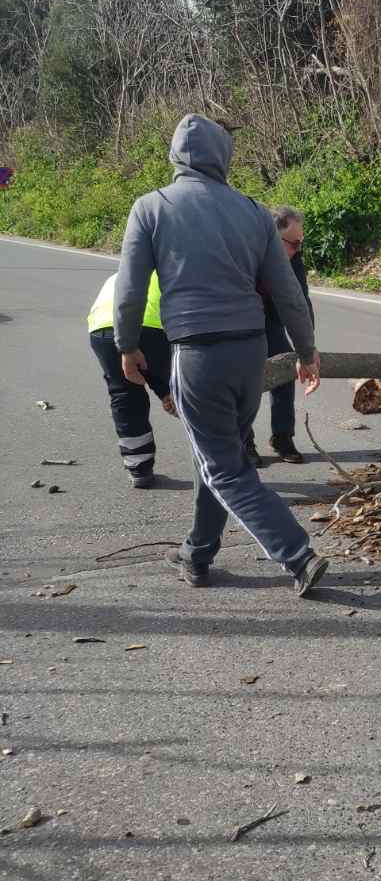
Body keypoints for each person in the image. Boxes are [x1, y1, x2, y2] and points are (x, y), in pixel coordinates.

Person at [113, 113, 328, 597]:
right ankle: (198, 553)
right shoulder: (253, 211)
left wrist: (127, 346)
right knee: (216, 453)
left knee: (224, 466)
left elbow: (128, 292)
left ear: (174, 156)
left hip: (198, 352)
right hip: (250, 353)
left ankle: (297, 554)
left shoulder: (151, 208)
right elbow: (289, 292)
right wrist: (306, 349)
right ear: (224, 158)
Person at [87, 269, 176, 488]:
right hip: (152, 327)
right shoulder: (169, 269)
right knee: (186, 389)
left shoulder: (119, 273)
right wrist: (166, 388)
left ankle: (139, 468)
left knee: (124, 393)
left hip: (103, 329)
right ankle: (223, 457)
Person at [246, 205, 310, 467]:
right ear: (274, 237)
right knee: (247, 380)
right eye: (293, 243)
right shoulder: (248, 252)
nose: (298, 249)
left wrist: (307, 350)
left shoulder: (293, 257)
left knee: (285, 369)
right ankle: (244, 441)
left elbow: (301, 302)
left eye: (300, 242)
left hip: (271, 318)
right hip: (243, 321)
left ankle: (282, 436)